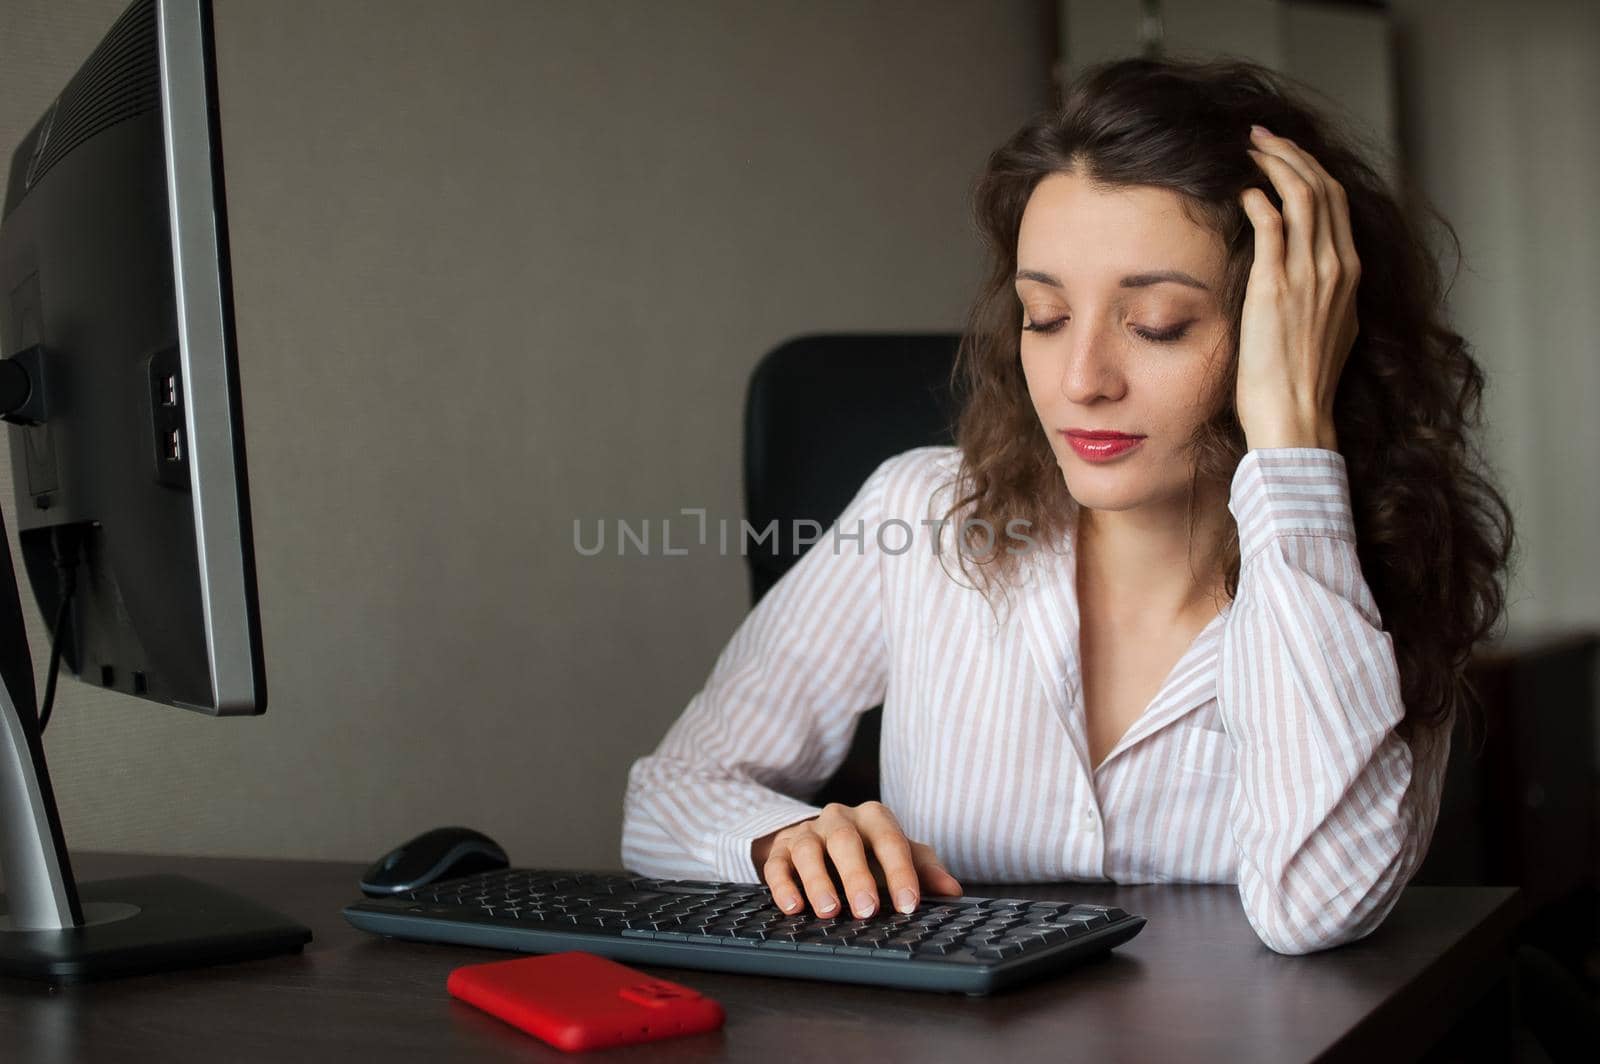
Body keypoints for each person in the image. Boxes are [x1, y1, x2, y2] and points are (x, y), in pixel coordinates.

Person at [620, 55, 1514, 955]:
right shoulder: (922, 514)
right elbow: (670, 794)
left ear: (1293, 330)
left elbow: (1317, 903)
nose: (1081, 381)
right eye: (1044, 317)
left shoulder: (1372, 565)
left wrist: (1292, 438)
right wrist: (782, 840)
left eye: (1158, 324)